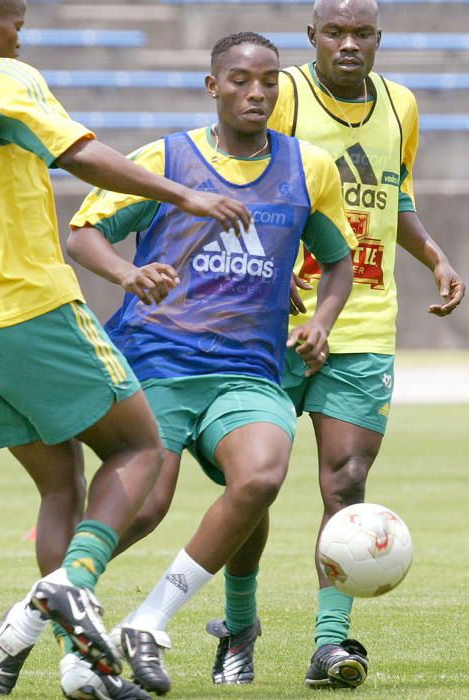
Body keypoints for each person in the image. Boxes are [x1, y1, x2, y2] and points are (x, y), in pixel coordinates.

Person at [0, 1, 252, 698]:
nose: (20, 36)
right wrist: (184, 194)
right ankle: (74, 585)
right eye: (18, 24)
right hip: (24, 306)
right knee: (141, 449)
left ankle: (77, 668)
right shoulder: (0, 76)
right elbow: (78, 152)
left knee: (60, 483)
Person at [65, 31, 355, 696]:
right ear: (213, 86)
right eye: (241, 81)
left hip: (248, 373)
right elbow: (82, 234)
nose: (256, 92)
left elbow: (337, 260)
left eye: (268, 81)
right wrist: (129, 273)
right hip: (157, 365)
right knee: (143, 509)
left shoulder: (308, 168)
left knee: (259, 479)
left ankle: (150, 620)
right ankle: (48, 605)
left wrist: (321, 321)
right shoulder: (165, 159)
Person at [264, 0, 466, 690]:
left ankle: (329, 644)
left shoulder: (402, 104)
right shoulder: (283, 93)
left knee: (345, 484)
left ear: (380, 38)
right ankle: (237, 625)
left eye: (363, 33)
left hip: (366, 324)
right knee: (248, 484)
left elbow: (394, 197)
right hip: (278, 323)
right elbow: (242, 182)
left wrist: (434, 255)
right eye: (335, 32)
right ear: (311, 37)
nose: (349, 44)